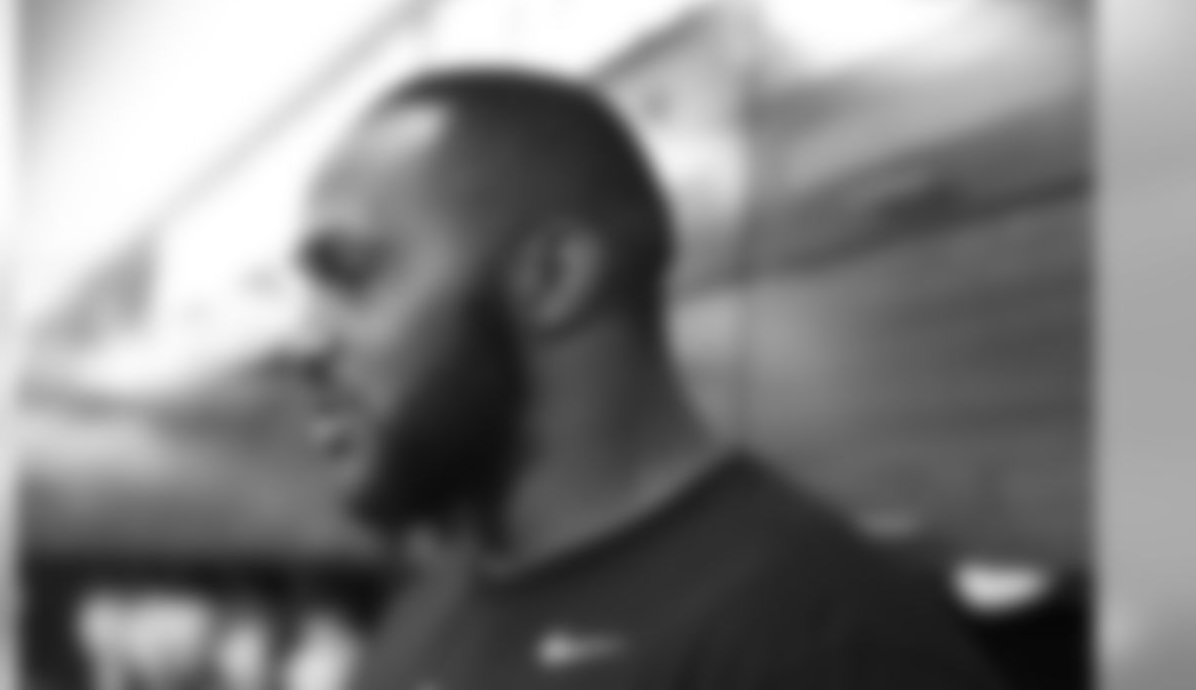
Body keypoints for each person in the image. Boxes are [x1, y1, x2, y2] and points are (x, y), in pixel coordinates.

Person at [292, 68, 1008, 690]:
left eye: (351, 275)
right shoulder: (434, 603)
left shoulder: (817, 640)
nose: (305, 343)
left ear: (551, 278)